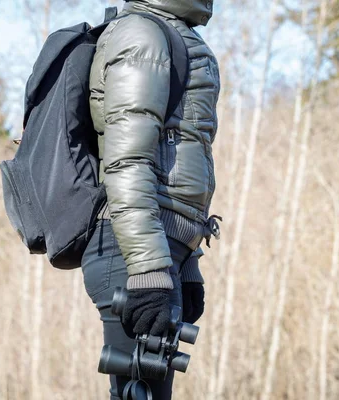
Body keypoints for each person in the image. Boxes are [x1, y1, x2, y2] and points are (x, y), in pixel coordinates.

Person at [82, 0, 220, 398]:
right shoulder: (143, 35)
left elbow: (172, 166)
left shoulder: (170, 33)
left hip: (156, 251)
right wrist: (149, 270)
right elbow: (128, 162)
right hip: (133, 254)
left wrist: (187, 260)